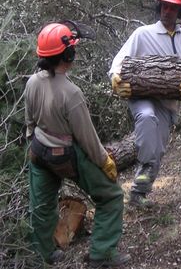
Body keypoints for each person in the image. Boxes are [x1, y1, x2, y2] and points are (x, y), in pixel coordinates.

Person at [24, 22, 130, 267]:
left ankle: (43, 254)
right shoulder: (71, 93)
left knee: (40, 206)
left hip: (38, 151)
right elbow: (87, 139)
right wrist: (105, 162)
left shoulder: (32, 82)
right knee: (111, 196)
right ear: (68, 55)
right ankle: (102, 254)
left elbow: (30, 123)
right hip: (65, 155)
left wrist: (36, 142)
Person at [109, 0, 181, 208]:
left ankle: (138, 193)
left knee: (157, 150)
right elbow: (119, 62)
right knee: (147, 118)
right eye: (165, 6)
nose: (167, 11)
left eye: (173, 8)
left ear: (180, 11)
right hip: (141, 96)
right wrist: (116, 78)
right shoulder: (142, 34)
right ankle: (143, 165)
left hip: (168, 103)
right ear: (159, 6)